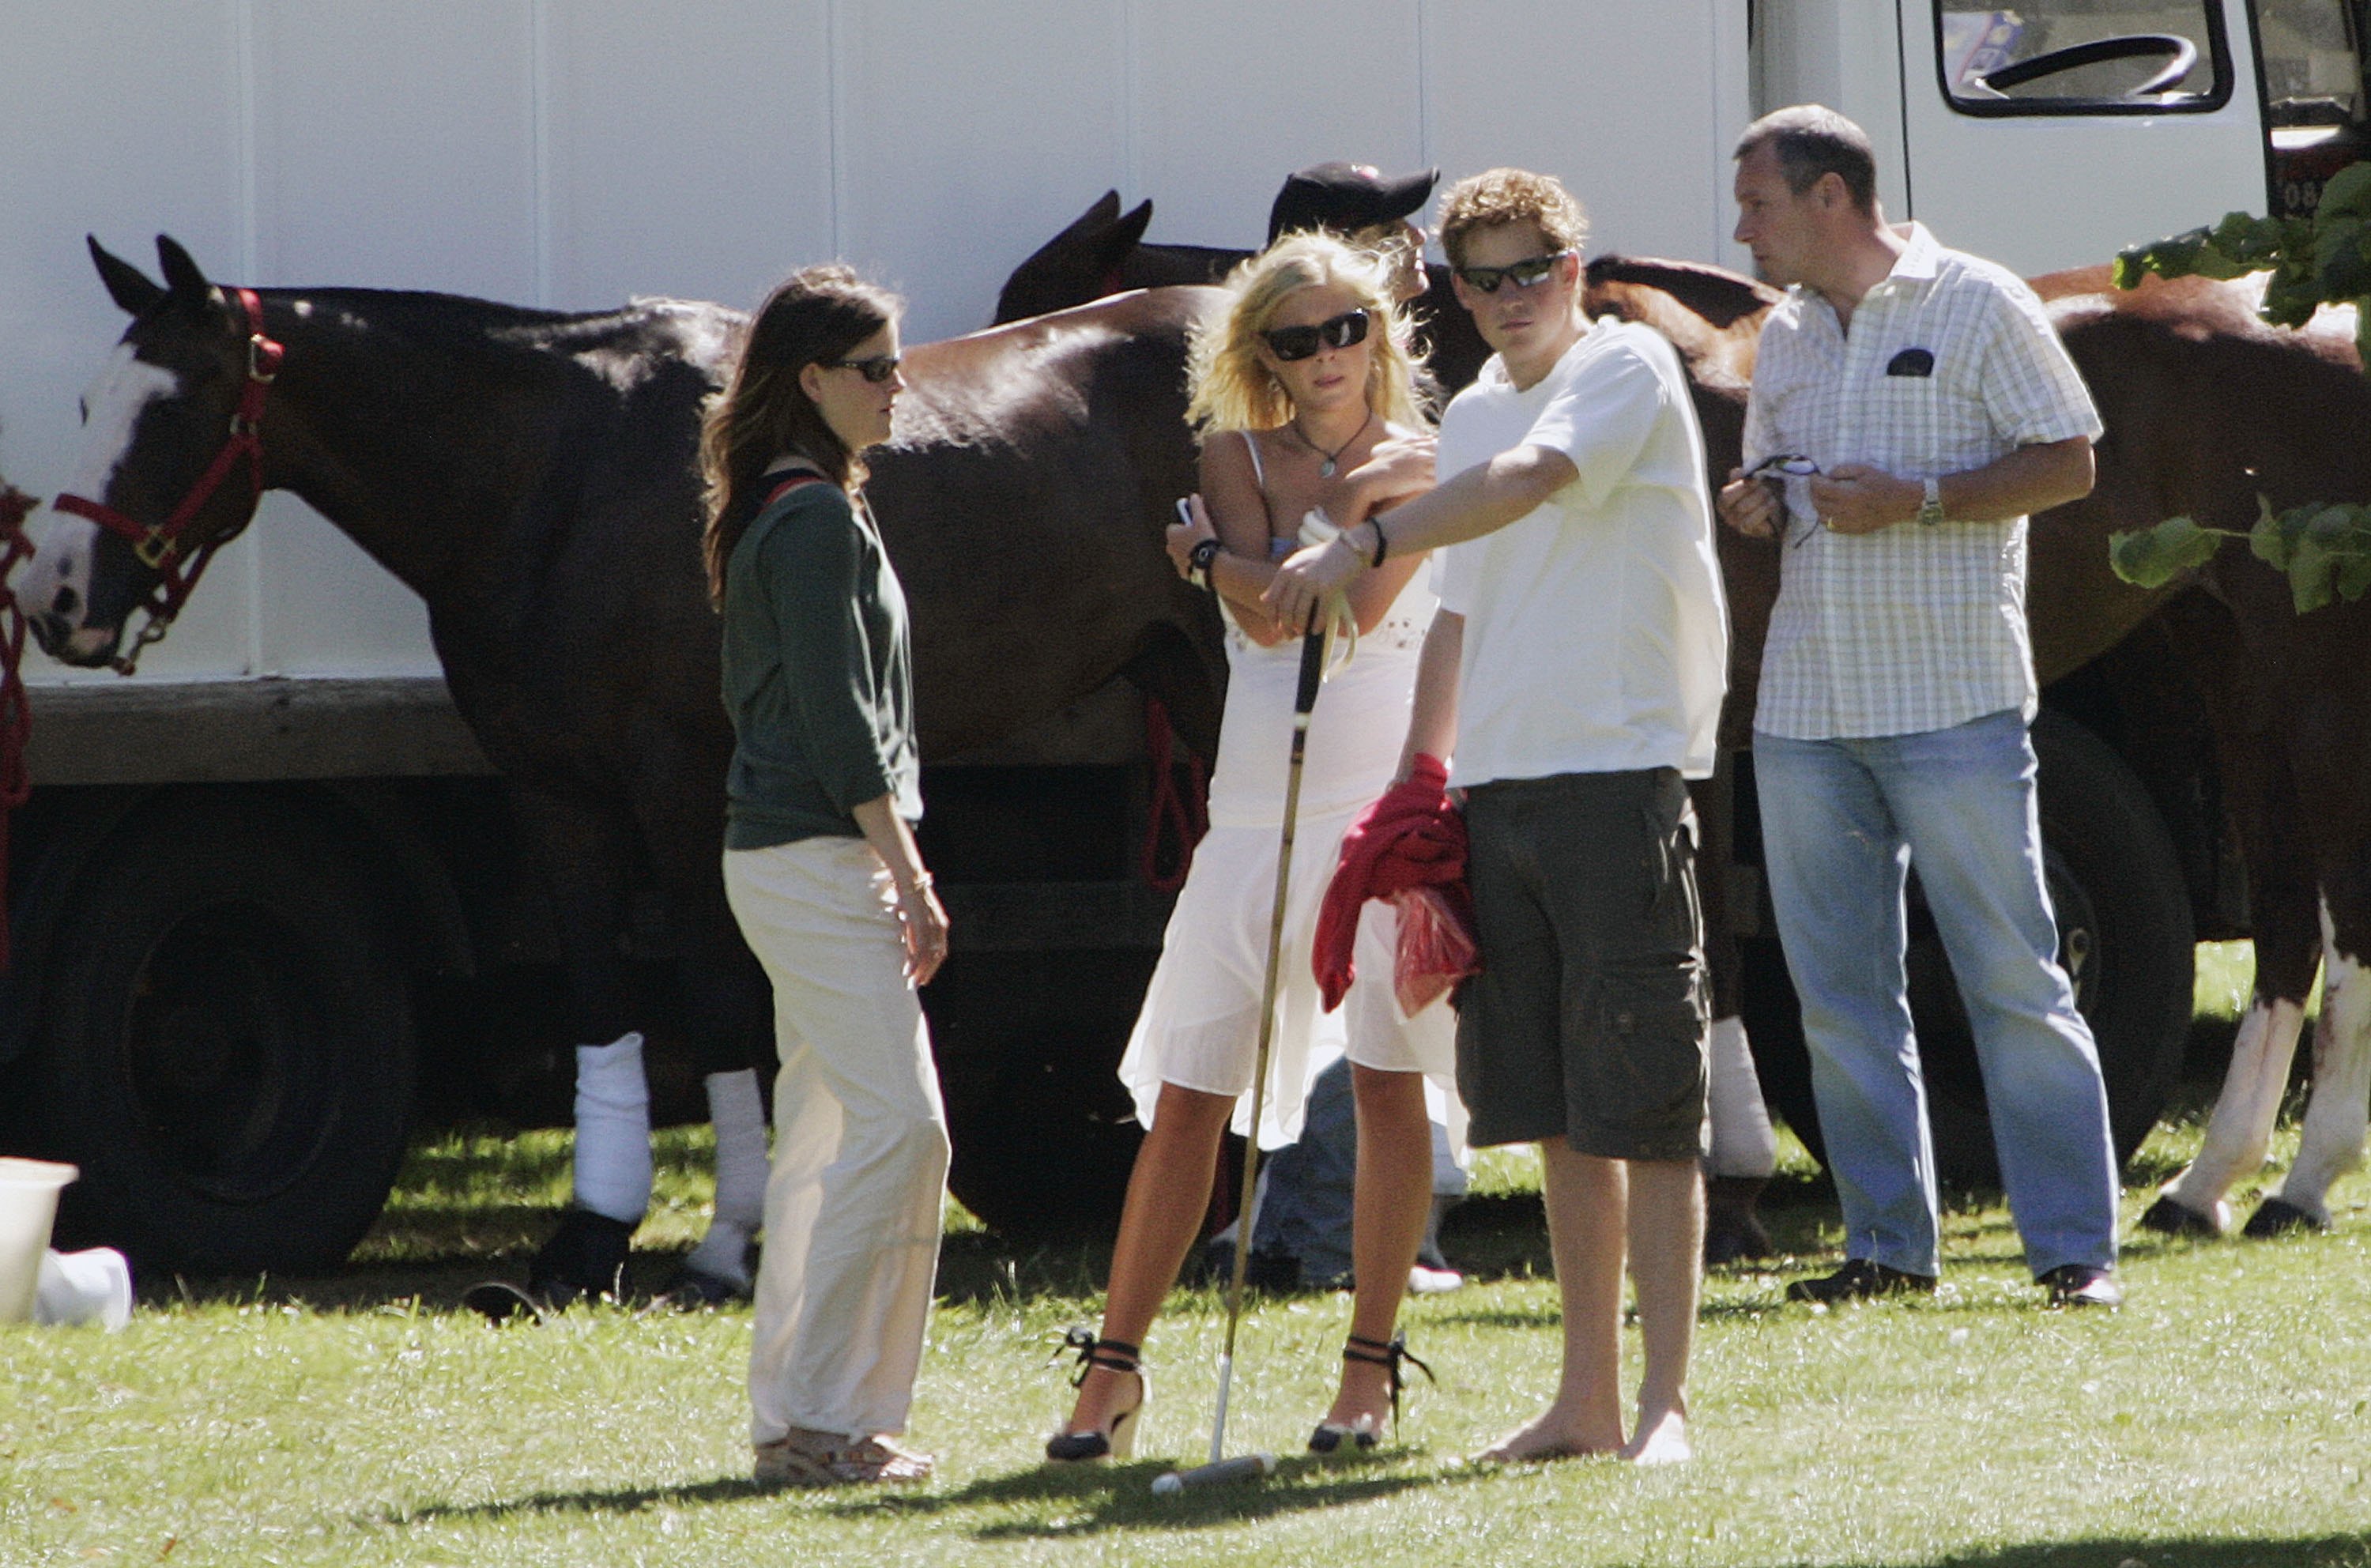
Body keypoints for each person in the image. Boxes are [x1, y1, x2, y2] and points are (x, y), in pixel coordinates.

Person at [1268, 167, 1728, 1464]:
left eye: (1536, 268)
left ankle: (1666, 1410)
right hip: (1500, 790)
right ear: (1455, 292)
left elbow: (1532, 481)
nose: (1512, 295)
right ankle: (1585, 1406)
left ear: (1576, 268)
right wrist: (1424, 783)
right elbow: (1460, 610)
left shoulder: (1625, 368)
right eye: (1485, 276)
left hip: (1621, 772)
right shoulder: (1469, 407)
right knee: (1561, 1113)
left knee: (1647, 1104)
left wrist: (1361, 543)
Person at [1049, 232, 1460, 1462]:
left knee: (1387, 1086)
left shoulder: (1436, 460)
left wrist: (1229, 549)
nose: (1329, 356)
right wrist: (1256, 557)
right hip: (1251, 812)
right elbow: (1273, 611)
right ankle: (1111, 1373)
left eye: (1348, 329)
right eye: (1298, 338)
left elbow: (1343, 599)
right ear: (1262, 355)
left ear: (1381, 333)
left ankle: (1368, 1373)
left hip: (1376, 813)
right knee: (1190, 1095)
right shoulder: (1229, 453)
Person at [1716, 105, 2122, 1310]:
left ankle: (2073, 1254)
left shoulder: (1981, 300)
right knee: (1839, 996)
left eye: (1760, 205)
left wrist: (1923, 500)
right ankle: (1888, 1251)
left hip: (1953, 703)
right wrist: (1761, 502)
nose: (1742, 230)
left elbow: (2072, 459)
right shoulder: (1782, 335)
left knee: (2014, 979)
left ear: (1832, 197)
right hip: (1805, 710)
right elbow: (1781, 483)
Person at [703, 265, 952, 1488]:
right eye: (874, 369)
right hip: (813, 858)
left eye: (896, 363)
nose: (897, 387)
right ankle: (823, 1421)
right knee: (905, 1133)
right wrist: (908, 874)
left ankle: (808, 1419)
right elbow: (841, 721)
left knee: (831, 1137)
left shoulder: (800, 507)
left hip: (798, 855)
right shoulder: (807, 521)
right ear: (811, 383)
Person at [1242, 160, 1469, 1296]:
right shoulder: (1323, 432)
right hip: (1349, 731)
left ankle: (1336, 1231)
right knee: (1359, 989)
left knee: (1365, 989)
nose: (1421, 252)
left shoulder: (1384, 407)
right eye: (1396, 233)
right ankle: (1340, 1239)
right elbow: (1341, 598)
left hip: (1381, 722)